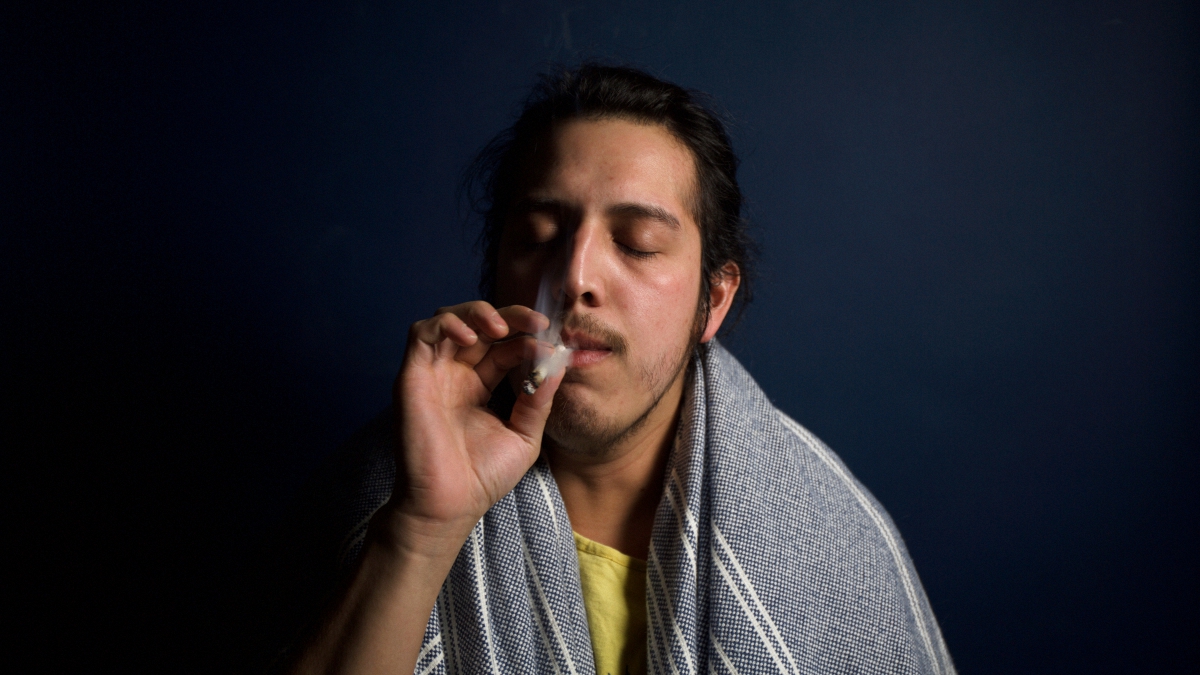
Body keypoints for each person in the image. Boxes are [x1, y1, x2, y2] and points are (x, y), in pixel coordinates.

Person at [280, 64, 954, 675]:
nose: (574, 278)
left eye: (637, 244)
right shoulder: (374, 497)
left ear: (711, 302)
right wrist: (421, 532)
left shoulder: (834, 546)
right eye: (538, 239)